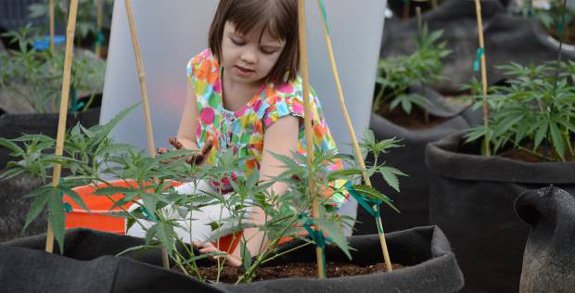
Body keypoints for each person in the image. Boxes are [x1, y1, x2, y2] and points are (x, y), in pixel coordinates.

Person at [129, 0, 347, 267]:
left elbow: (272, 194)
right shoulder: (203, 69)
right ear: (220, 28)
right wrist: (191, 156)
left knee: (184, 235)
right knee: (140, 217)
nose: (249, 57)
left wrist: (243, 258)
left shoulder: (283, 105)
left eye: (267, 49)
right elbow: (186, 138)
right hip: (225, 182)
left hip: (284, 199)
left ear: (286, 49)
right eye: (238, 41)